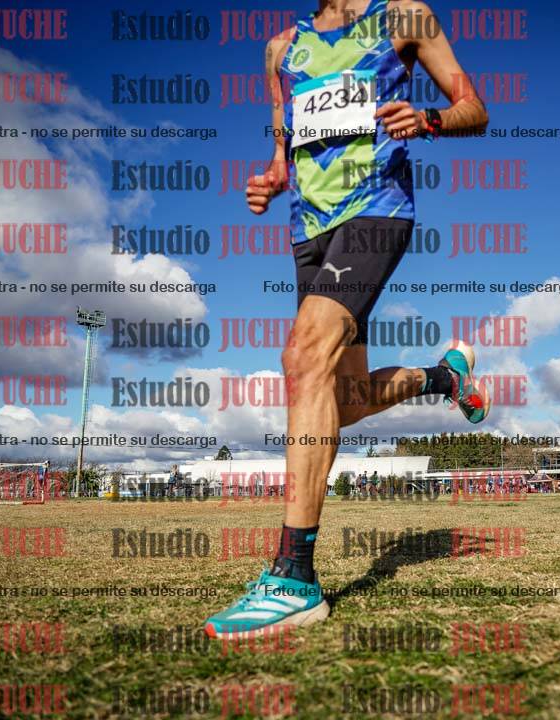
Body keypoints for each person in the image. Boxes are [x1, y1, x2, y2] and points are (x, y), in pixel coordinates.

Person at [204, 5, 489, 636]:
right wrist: (272, 179)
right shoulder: (281, 48)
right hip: (309, 231)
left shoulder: (404, 17)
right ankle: (444, 377)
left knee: (302, 356)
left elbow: (474, 108)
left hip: (376, 212)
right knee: (346, 399)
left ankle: (293, 577)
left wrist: (429, 119)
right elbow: (283, 150)